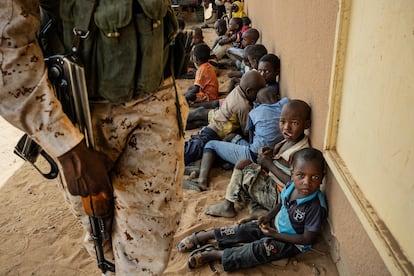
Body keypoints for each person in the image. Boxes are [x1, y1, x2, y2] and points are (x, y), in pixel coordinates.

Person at [0, 1, 188, 275]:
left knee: (148, 248)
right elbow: (7, 46)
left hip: (157, 100)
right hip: (81, 114)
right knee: (100, 232)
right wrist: (67, 148)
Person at [177, 147, 328, 272]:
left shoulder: (315, 206)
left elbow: (306, 239)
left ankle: (215, 254)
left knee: (259, 249)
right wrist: (268, 217)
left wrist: (275, 235)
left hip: (291, 242)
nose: (306, 182)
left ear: (322, 177)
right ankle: (206, 235)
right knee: (245, 229)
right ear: (292, 171)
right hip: (276, 226)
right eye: (301, 175)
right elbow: (282, 204)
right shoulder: (291, 185)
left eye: (314, 177)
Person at [205, 99, 311, 217]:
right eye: (282, 121)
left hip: (278, 196)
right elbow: (282, 161)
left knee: (243, 164)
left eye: (294, 123)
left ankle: (227, 206)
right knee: (247, 179)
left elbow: (295, 184)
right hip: (273, 188)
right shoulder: (290, 139)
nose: (286, 127)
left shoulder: (301, 153)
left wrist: (269, 165)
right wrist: (271, 154)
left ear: (306, 124)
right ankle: (257, 210)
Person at [184, 88, 288, 191]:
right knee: (232, 137)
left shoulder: (255, 112)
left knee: (211, 145)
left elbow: (249, 135)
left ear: (259, 102)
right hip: (271, 153)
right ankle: (205, 165)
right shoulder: (285, 105)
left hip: (255, 154)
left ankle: (202, 179)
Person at [184, 70, 266, 166]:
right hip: (215, 133)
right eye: (258, 93)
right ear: (249, 91)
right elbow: (247, 131)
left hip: (214, 126)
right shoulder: (244, 106)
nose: (259, 96)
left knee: (196, 147)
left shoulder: (238, 90)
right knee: (191, 152)